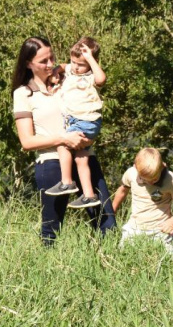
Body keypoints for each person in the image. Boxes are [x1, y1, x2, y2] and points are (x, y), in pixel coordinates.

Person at [11, 36, 115, 244]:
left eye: (51, 58)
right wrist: (63, 139)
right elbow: (27, 142)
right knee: (51, 230)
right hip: (51, 162)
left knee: (107, 225)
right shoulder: (23, 94)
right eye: (43, 61)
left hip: (85, 159)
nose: (50, 64)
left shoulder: (71, 77)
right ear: (28, 64)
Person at [44, 37, 106, 209]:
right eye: (74, 62)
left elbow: (102, 80)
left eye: (81, 64)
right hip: (81, 122)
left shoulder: (91, 76)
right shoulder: (72, 69)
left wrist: (91, 60)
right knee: (80, 158)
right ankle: (89, 195)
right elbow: (65, 66)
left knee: (63, 144)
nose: (77, 67)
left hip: (85, 121)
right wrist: (57, 70)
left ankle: (67, 182)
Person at [112, 147, 173, 259]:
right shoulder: (131, 174)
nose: (151, 182)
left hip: (161, 229)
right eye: (146, 179)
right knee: (122, 258)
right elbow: (122, 191)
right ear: (135, 167)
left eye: (155, 178)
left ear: (162, 168)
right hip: (134, 227)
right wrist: (112, 210)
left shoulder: (170, 179)